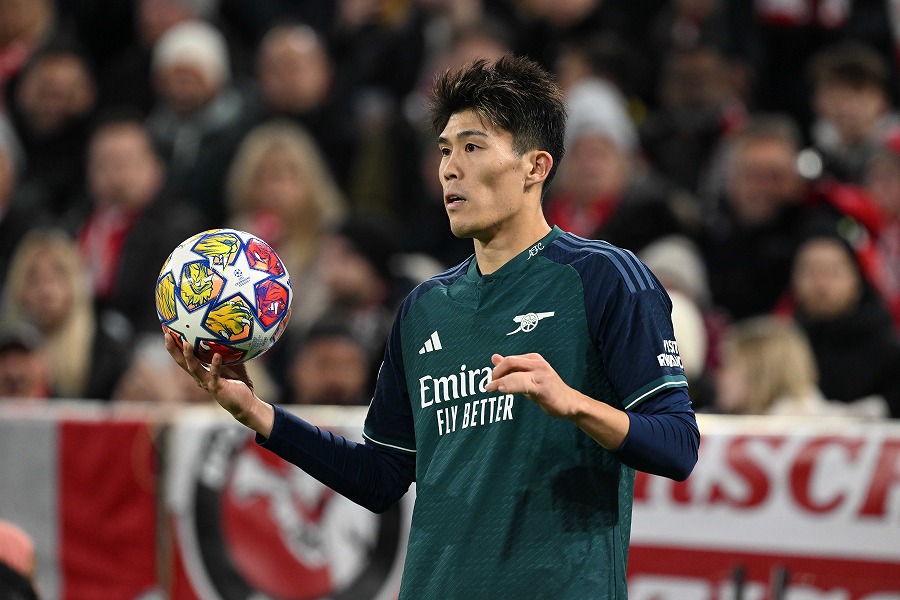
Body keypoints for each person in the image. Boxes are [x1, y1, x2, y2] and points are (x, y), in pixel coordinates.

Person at [165, 55, 700, 598]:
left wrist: (573, 403)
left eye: (472, 147)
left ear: (535, 167)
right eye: (445, 150)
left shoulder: (605, 278)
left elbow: (678, 445)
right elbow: (381, 476)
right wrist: (256, 413)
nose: (449, 168)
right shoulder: (424, 308)